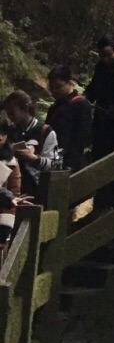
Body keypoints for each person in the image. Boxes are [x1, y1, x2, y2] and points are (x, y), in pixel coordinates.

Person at [85, 35, 114, 162]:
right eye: (102, 56)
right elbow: (94, 86)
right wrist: (86, 97)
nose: (105, 59)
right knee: (98, 147)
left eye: (108, 55)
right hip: (102, 112)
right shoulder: (101, 66)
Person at [4, 90, 60, 195]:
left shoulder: (45, 131)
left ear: (25, 108)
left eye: (12, 113)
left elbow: (54, 165)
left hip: (38, 189)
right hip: (11, 189)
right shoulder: (9, 132)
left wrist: (33, 158)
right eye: (8, 114)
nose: (10, 117)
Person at [46, 64, 94, 172]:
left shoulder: (81, 104)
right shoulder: (53, 108)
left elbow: (82, 137)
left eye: (58, 87)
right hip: (54, 157)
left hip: (71, 161)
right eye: (52, 88)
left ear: (70, 83)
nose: (54, 91)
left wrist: (72, 163)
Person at [0, 117, 22, 252]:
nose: (0, 137)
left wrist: (4, 231)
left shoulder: (11, 162)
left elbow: (14, 192)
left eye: (3, 133)